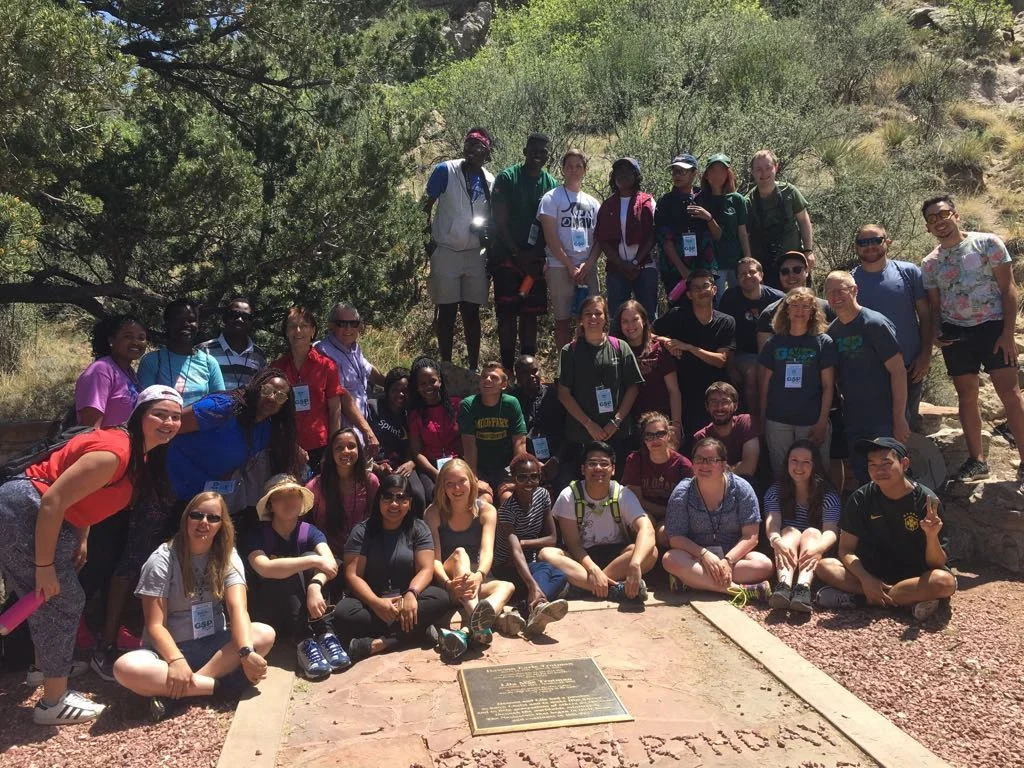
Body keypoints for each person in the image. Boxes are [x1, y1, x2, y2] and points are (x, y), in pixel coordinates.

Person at [89, 370, 302, 681]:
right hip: (164, 488)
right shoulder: (222, 408)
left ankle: (189, 640)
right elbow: (167, 431)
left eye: (282, 396)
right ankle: (105, 644)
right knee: (137, 558)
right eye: (269, 390)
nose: (273, 399)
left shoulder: (265, 429)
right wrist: (143, 477)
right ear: (257, 386)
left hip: (198, 502)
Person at [0, 385, 183, 724]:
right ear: (140, 415)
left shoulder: (138, 455)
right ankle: (53, 703)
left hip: (42, 519)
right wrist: (43, 566)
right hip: (28, 513)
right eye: (160, 413)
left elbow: (82, 497)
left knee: (44, 600)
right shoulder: (117, 451)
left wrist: (81, 537)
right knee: (62, 601)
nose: (168, 422)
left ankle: (44, 671)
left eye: (175, 416)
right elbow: (53, 499)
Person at [112, 493, 275, 720]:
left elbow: (238, 609)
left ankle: (181, 692)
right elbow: (155, 625)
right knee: (125, 668)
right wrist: (176, 661)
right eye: (197, 515)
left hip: (213, 646)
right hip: (168, 652)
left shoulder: (227, 555)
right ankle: (219, 687)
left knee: (264, 633)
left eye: (213, 518)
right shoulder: (161, 559)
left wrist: (246, 652)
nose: (204, 523)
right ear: (186, 519)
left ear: (222, 524)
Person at [920, 195, 1024, 487]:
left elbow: (1009, 290)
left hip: (993, 327)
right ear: (928, 227)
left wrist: (1007, 333)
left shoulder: (987, 243)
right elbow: (935, 305)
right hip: (957, 333)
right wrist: (938, 332)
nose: (939, 222)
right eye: (932, 219)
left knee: (1010, 394)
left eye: (943, 214)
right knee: (967, 395)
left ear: (956, 215)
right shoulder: (930, 263)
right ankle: (978, 460)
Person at [814, 438, 957, 621]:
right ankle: (902, 601)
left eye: (886, 463)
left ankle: (862, 599)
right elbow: (846, 549)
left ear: (904, 464)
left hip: (914, 576)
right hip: (873, 572)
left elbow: (937, 564)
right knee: (825, 566)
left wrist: (931, 536)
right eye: (872, 465)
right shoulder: (861, 498)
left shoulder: (927, 501)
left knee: (944, 582)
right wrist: (866, 579)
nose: (879, 471)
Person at [332, 474, 455, 661]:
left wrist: (412, 593)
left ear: (410, 502)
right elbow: (353, 575)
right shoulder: (362, 531)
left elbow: (426, 569)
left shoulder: (419, 528)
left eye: (401, 498)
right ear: (379, 500)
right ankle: (415, 633)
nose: (394, 504)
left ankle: (383, 642)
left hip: (409, 598)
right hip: (372, 602)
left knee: (441, 598)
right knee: (343, 614)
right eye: (387, 497)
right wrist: (376, 602)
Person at [244, 474, 351, 680]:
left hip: (308, 608)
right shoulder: (257, 535)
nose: (288, 502)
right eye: (280, 497)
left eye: (293, 495)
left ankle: (324, 635)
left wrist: (314, 586)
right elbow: (264, 567)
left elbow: (329, 563)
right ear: (270, 506)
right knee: (298, 563)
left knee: (312, 558)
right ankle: (304, 640)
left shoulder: (309, 531)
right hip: (273, 614)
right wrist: (311, 562)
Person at [539, 441, 657, 602]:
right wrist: (593, 569)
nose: (598, 468)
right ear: (583, 469)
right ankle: (614, 590)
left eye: (604, 464)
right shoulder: (569, 496)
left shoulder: (623, 494)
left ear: (613, 469)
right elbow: (574, 544)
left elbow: (647, 529)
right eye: (592, 463)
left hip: (616, 557)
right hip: (582, 560)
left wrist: (635, 564)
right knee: (547, 554)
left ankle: (583, 588)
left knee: (651, 552)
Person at [661, 437, 773, 605]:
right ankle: (737, 590)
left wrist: (728, 561)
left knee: (764, 565)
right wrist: (704, 555)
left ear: (723, 464)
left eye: (711, 460)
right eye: (699, 459)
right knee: (669, 558)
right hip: (696, 557)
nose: (704, 465)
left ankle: (691, 581)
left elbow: (751, 536)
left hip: (732, 558)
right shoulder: (683, 492)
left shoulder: (742, 489)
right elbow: (676, 538)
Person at [424, 460, 515, 657]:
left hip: (474, 579)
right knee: (460, 553)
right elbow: (435, 559)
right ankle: (477, 615)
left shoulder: (486, 510)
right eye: (450, 483)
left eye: (462, 481)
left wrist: (480, 575)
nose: (457, 488)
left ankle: (467, 632)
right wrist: (448, 584)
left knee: (507, 586)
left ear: (472, 483)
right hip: (448, 581)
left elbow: (487, 550)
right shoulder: (433, 513)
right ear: (442, 487)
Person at [825, 270, 909, 484]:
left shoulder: (874, 324)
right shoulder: (833, 331)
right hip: (854, 416)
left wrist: (899, 419)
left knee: (890, 472)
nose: (835, 297)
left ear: (854, 290)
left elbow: (898, 372)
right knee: (864, 472)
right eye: (829, 292)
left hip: (883, 415)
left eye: (840, 291)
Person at [270, 306, 377, 473]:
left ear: (313, 331)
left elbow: (335, 410)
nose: (298, 331)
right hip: (288, 447)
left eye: (304, 326)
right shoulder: (277, 368)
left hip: (321, 446)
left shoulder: (326, 366)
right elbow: (275, 415)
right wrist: (291, 445)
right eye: (292, 326)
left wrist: (333, 447)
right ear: (286, 332)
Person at [423, 127, 495, 371]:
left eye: (479, 146)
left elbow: (492, 216)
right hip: (446, 250)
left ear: (488, 152)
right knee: (447, 311)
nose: (473, 150)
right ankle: (446, 366)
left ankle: (472, 368)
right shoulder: (446, 170)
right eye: (469, 144)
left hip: (475, 254)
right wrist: (427, 242)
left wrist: (487, 234)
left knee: (472, 312)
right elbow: (426, 206)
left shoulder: (490, 180)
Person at [852, 225, 932, 432]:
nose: (869, 246)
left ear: (887, 242)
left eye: (875, 240)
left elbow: (925, 315)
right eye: (863, 242)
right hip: (867, 370)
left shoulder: (908, 272)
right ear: (856, 248)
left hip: (909, 366)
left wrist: (925, 355)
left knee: (906, 427)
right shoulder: (850, 281)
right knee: (870, 430)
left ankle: (906, 465)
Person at [490, 133, 559, 370]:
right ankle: (507, 368)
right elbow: (499, 221)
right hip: (506, 256)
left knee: (530, 315)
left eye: (543, 152)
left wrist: (535, 254)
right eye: (534, 151)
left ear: (548, 155)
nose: (538, 156)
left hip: (534, 260)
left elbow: (550, 224)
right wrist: (516, 253)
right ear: (524, 151)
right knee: (507, 313)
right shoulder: (507, 178)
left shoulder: (550, 184)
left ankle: (527, 369)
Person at [557, 295, 644, 479]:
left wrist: (616, 421)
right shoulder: (569, 351)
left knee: (617, 488)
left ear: (606, 318)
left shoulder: (620, 347)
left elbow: (633, 387)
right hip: (581, 435)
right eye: (588, 314)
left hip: (618, 434)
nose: (593, 318)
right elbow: (564, 393)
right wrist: (589, 424)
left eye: (598, 313)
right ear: (580, 320)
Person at [758, 287, 837, 477]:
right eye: (795, 305)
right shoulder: (774, 343)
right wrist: (763, 418)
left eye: (805, 306)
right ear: (786, 309)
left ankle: (817, 508)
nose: (800, 311)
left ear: (813, 311)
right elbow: (764, 385)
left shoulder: (823, 342)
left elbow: (828, 386)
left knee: (815, 473)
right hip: (777, 420)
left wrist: (822, 422)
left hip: (811, 420)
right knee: (782, 472)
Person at [491, 454, 569, 637]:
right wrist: (532, 585)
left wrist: (524, 542)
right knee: (548, 574)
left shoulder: (542, 496)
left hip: (528, 561)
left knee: (560, 575)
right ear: (513, 478)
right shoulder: (507, 511)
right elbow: (514, 552)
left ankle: (524, 609)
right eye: (522, 477)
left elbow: (551, 538)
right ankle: (536, 603)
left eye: (534, 476)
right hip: (507, 567)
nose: (529, 482)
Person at [653, 269, 736, 441]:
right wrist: (667, 342)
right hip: (683, 387)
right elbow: (647, 333)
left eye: (705, 286)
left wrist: (689, 347)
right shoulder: (677, 315)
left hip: (713, 389)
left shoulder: (726, 322)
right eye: (696, 288)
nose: (701, 291)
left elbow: (721, 361)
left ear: (714, 290)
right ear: (689, 294)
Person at [763, 440, 840, 614]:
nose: (799, 466)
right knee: (788, 532)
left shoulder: (827, 495)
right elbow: (772, 521)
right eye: (794, 460)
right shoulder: (775, 491)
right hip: (785, 551)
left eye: (806, 462)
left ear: (815, 466)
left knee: (811, 532)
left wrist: (818, 549)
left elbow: (831, 530)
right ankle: (783, 585)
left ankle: (803, 588)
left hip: (814, 554)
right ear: (787, 463)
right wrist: (775, 540)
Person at [537, 148, 602, 350]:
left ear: (585, 170)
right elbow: (550, 236)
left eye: (578, 166)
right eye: (569, 166)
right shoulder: (551, 198)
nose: (574, 170)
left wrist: (587, 264)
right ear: (563, 169)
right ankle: (565, 368)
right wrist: (569, 265)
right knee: (563, 320)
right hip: (559, 266)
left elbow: (600, 239)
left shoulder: (593, 203)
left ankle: (588, 365)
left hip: (587, 268)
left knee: (590, 320)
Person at [596, 157, 658, 328]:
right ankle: (619, 352)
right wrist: (622, 264)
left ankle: (651, 352)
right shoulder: (608, 205)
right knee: (617, 316)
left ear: (636, 175)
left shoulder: (647, 201)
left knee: (649, 314)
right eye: (619, 172)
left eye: (628, 171)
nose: (623, 175)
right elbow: (602, 239)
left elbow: (653, 234)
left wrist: (636, 262)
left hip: (644, 267)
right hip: (617, 269)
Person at [718, 257, 783, 419]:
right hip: (743, 354)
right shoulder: (730, 298)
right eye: (742, 274)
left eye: (752, 272)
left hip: (774, 354)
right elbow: (727, 335)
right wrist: (730, 366)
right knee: (753, 369)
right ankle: (755, 424)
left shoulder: (778, 298)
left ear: (761, 275)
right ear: (737, 278)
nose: (748, 276)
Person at [617, 300, 683, 447]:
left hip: (660, 423)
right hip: (629, 425)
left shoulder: (659, 349)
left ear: (644, 321)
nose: (630, 326)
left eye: (635, 320)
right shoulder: (616, 350)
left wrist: (676, 426)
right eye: (625, 321)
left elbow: (674, 391)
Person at [306, 427, 380, 558]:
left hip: (362, 552)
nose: (346, 451)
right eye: (339, 448)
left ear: (359, 450)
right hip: (328, 555)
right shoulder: (316, 486)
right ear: (331, 453)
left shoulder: (371, 482)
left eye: (351, 446)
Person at [744, 149, 814, 288]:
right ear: (752, 172)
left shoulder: (790, 192)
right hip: (765, 265)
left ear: (776, 167)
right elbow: (746, 235)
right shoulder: (748, 201)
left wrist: (808, 251)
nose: (764, 173)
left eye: (768, 168)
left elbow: (804, 221)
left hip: (794, 264)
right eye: (758, 169)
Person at [138, 298, 225, 405]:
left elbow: (219, 404)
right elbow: (144, 406)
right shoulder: (153, 361)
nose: (186, 324)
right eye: (178, 319)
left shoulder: (209, 363)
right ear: (167, 325)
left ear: (198, 325)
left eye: (191, 320)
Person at [622, 412, 693, 543]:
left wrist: (667, 513)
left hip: (672, 515)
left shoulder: (684, 465)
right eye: (649, 435)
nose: (655, 440)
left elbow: (687, 504)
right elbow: (636, 500)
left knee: (663, 535)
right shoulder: (635, 460)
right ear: (643, 439)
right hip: (644, 510)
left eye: (660, 434)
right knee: (640, 529)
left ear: (669, 435)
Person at [654, 153, 718, 297]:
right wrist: (683, 270)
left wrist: (709, 218)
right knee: (678, 311)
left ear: (694, 173)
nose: (677, 175)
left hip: (704, 268)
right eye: (674, 171)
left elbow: (718, 235)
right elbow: (665, 240)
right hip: (675, 271)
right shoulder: (665, 202)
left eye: (682, 171)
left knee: (706, 310)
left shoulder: (706, 197)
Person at [459, 361, 527, 492]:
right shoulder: (468, 405)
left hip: (506, 466)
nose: (487, 380)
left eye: (494, 377)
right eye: (484, 376)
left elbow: (519, 441)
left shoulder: (511, 404)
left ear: (504, 385)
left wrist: (517, 475)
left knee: (508, 497)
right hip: (479, 467)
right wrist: (473, 478)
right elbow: (469, 445)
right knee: (484, 499)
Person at [314, 303, 384, 425]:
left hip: (362, 424)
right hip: (345, 430)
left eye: (353, 323)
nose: (348, 328)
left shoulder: (353, 348)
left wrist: (393, 384)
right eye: (342, 323)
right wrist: (367, 431)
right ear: (331, 326)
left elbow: (369, 370)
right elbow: (341, 397)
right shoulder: (324, 352)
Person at [370, 367, 428, 508]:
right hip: (375, 466)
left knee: (418, 495)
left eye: (406, 390)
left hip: (402, 466)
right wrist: (376, 467)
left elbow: (415, 445)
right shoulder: (373, 407)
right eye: (396, 389)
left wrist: (411, 463)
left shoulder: (411, 414)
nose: (401, 394)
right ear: (388, 389)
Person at [408, 356, 462, 503]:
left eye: (432, 381)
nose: (428, 387)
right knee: (433, 494)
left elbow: (467, 440)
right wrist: (435, 473)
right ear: (417, 386)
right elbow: (417, 452)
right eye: (422, 384)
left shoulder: (457, 405)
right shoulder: (415, 414)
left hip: (457, 463)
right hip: (430, 467)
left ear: (440, 379)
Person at [76, 314, 147, 427]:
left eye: (141, 338)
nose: (136, 342)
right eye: (128, 336)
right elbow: (90, 427)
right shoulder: (100, 371)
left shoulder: (129, 373)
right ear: (111, 340)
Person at [755, 251, 833, 352]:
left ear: (807, 271)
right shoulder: (769, 313)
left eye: (797, 270)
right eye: (785, 271)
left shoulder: (827, 308)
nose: (791, 275)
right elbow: (764, 359)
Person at [509, 354, 566, 487]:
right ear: (517, 376)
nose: (532, 376)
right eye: (525, 373)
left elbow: (568, 431)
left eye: (535, 371)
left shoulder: (555, 395)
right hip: (524, 461)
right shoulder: (511, 401)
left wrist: (556, 459)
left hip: (558, 458)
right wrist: (532, 462)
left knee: (567, 486)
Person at [701, 153, 752, 290]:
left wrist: (748, 260)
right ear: (706, 175)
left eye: (722, 171)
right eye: (713, 171)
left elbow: (742, 233)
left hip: (734, 261)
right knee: (717, 300)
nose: (717, 175)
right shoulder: (700, 199)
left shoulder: (737, 200)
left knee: (739, 297)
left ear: (728, 174)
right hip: (712, 263)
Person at [692, 382, 760, 479]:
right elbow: (701, 472)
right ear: (707, 407)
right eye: (714, 402)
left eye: (725, 402)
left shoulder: (746, 422)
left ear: (735, 406)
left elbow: (749, 468)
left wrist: (718, 472)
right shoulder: (701, 437)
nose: (719, 407)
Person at [198, 298, 266, 391]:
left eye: (245, 317)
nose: (239, 319)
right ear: (225, 318)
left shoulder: (259, 355)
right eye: (234, 315)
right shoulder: (204, 350)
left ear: (251, 322)